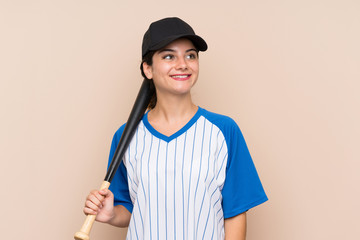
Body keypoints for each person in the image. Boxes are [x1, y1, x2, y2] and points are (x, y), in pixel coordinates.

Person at [83, 17, 268, 240]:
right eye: (169, 56)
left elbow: (236, 212)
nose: (183, 64)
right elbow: (131, 208)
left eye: (190, 55)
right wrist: (112, 215)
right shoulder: (125, 136)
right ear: (147, 69)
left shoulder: (224, 130)